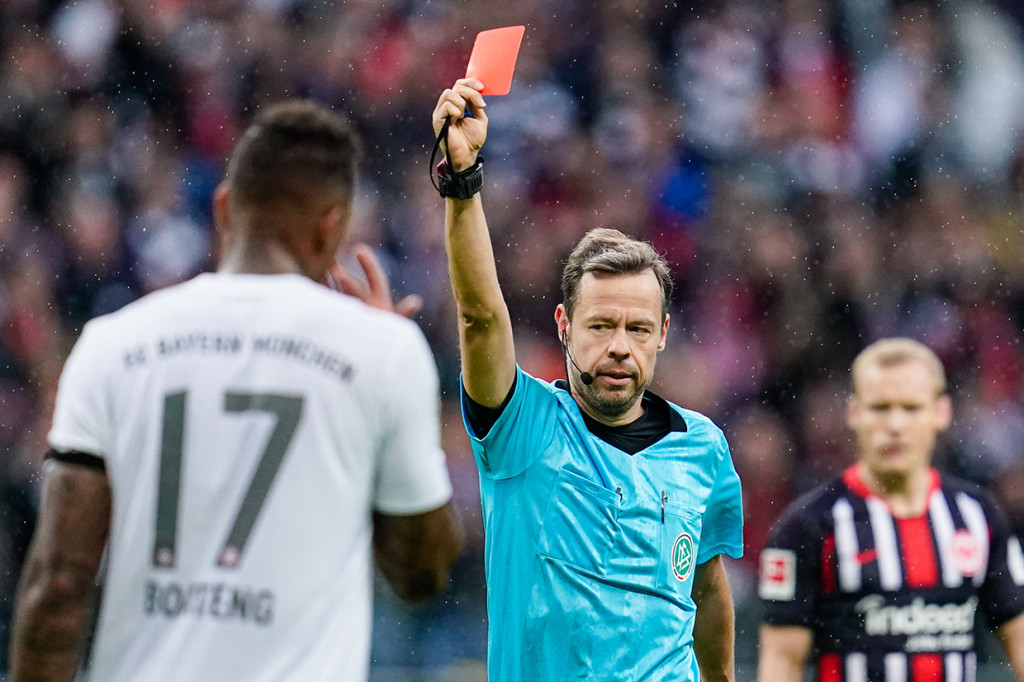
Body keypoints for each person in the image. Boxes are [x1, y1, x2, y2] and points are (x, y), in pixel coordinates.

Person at [10, 100, 461, 682]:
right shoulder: (382, 352)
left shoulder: (112, 344)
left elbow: (59, 586)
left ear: (224, 208)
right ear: (332, 225)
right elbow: (420, 573)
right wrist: (387, 374)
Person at [431, 79, 744, 681]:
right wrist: (463, 183)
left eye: (637, 328)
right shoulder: (522, 427)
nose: (619, 347)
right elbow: (479, 317)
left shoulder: (703, 448)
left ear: (662, 334)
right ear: (564, 327)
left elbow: (706, 588)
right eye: (600, 325)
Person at [758, 338, 1024, 681]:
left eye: (911, 408)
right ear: (854, 413)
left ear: (942, 412)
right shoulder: (807, 526)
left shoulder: (979, 516)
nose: (895, 424)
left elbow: (1019, 637)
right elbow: (781, 663)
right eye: (880, 408)